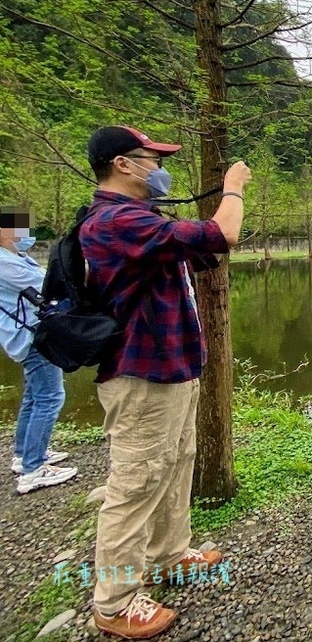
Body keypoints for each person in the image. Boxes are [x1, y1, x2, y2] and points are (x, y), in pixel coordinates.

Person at [79, 125, 250, 640]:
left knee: (176, 461)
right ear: (122, 165)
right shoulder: (114, 221)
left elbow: (205, 251)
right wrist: (233, 188)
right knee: (135, 482)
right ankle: (114, 601)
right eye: (151, 159)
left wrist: (203, 232)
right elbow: (223, 235)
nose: (160, 169)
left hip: (172, 366)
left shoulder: (143, 218)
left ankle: (170, 554)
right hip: (141, 372)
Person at [0, 206, 77, 494]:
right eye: (19, 228)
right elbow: (47, 285)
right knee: (50, 397)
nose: (26, 234)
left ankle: (24, 455)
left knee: (34, 397)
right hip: (34, 337)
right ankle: (34, 469)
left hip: (27, 336)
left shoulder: (13, 257)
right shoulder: (5, 263)